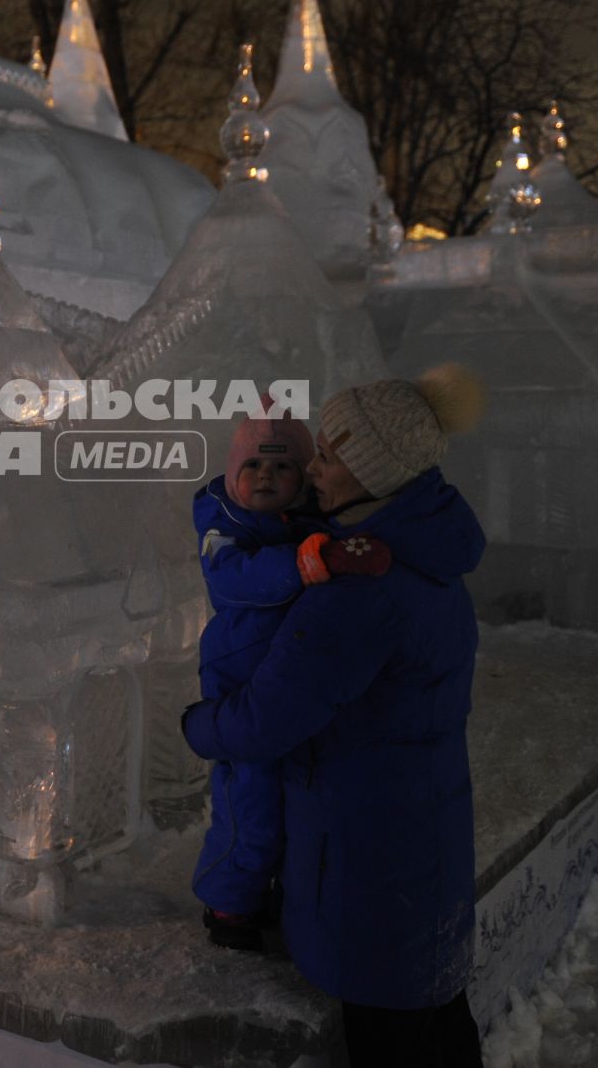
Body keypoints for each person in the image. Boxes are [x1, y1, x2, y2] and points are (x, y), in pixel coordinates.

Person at [181, 366, 487, 1067]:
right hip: (424, 836)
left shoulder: (359, 591)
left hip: (365, 860)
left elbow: (265, 719)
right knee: (439, 1023)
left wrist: (195, 724)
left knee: (393, 1039)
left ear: (371, 470)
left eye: (327, 456)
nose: (311, 470)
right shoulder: (428, 552)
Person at [192, 410, 390, 951]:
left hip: (295, 680)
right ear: (233, 473)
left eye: (281, 467)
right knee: (248, 800)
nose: (264, 476)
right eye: (252, 464)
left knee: (299, 800)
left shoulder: (315, 524)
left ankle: (283, 890)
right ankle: (229, 902)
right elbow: (235, 581)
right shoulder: (221, 526)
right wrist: (305, 562)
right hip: (241, 677)